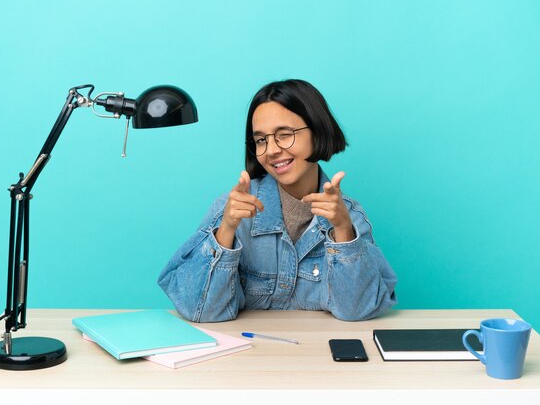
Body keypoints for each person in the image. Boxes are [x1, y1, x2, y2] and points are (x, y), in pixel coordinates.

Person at [158, 79, 397, 322]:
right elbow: (200, 309)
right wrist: (226, 231)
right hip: (248, 354)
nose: (271, 150)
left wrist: (343, 230)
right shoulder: (233, 211)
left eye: (284, 135)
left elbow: (358, 310)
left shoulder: (349, 216)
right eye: (261, 140)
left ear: (317, 131)